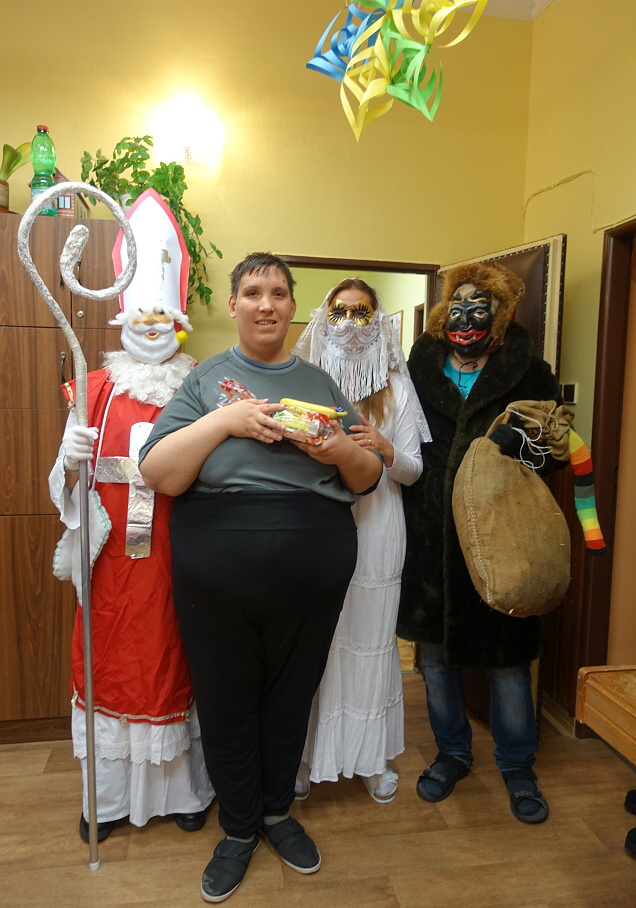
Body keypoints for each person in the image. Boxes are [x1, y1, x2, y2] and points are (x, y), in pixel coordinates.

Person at [138, 253, 382, 903]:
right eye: (253, 292)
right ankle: (239, 828)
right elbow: (159, 473)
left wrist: (340, 449)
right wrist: (225, 421)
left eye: (278, 292)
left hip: (314, 561)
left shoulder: (321, 382)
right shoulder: (203, 381)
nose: (266, 304)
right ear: (234, 305)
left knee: (292, 694)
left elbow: (367, 478)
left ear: (293, 306)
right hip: (216, 566)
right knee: (226, 701)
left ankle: (277, 812)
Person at [49, 191, 214, 842]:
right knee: (112, 670)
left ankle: (183, 792)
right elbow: (65, 495)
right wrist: (69, 461)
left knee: (176, 664)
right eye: (140, 313)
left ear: (179, 320)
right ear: (123, 317)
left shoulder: (203, 389)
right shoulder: (93, 392)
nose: (151, 324)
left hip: (179, 561)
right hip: (112, 566)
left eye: (161, 314)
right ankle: (108, 802)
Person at [397, 260, 563, 824]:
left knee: (508, 665)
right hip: (430, 537)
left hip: (501, 533)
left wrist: (526, 448)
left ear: (500, 314)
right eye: (458, 304)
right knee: (438, 662)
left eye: (480, 306)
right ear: (444, 312)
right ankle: (452, 754)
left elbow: (555, 449)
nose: (467, 316)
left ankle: (518, 766)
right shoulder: (418, 369)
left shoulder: (528, 371)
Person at [293, 278, 430, 803]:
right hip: (315, 524)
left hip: (378, 525)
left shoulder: (397, 387)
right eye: (340, 313)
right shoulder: (305, 380)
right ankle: (305, 755)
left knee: (370, 640)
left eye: (361, 312)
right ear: (324, 319)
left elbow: (414, 470)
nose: (350, 323)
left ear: (378, 320)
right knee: (314, 642)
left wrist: (386, 449)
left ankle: (371, 758)